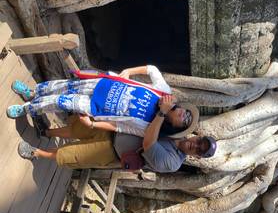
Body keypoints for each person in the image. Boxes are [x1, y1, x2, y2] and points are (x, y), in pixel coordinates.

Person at [16, 94, 217, 172]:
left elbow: (148, 143)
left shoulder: (172, 163)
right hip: (114, 128)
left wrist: (163, 112)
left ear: (196, 157)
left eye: (200, 150)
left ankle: (36, 153)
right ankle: (47, 132)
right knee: (77, 128)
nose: (196, 145)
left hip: (112, 151)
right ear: (198, 136)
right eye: (200, 142)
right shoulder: (177, 132)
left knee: (72, 154)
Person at [7, 65, 198, 138]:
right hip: (103, 85)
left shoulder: (151, 128)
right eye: (187, 112)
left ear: (174, 126)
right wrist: (130, 72)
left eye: (185, 121)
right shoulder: (164, 92)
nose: (184, 115)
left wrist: (92, 124)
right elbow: (153, 70)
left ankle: (28, 108)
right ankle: (33, 92)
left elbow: (119, 128)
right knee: (64, 86)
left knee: (62, 101)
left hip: (96, 107)